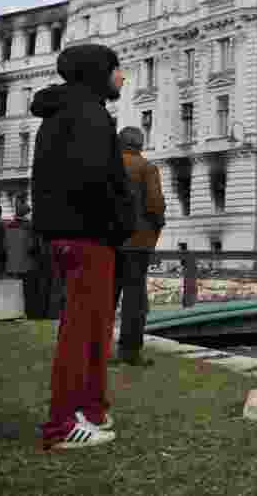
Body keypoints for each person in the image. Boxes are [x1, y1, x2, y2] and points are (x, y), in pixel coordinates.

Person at [31, 43, 135, 450]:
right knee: (82, 331)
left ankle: (89, 410)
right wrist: (121, 223)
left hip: (72, 233)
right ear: (99, 73)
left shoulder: (66, 113)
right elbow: (97, 182)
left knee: (91, 329)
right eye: (117, 69)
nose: (122, 77)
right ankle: (62, 423)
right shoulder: (89, 115)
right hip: (88, 234)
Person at [112, 126, 166, 367]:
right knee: (135, 298)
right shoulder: (147, 168)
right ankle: (130, 350)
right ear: (140, 144)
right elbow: (155, 204)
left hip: (110, 241)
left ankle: (98, 350)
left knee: (106, 296)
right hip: (138, 242)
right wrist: (157, 226)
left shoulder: (108, 167)